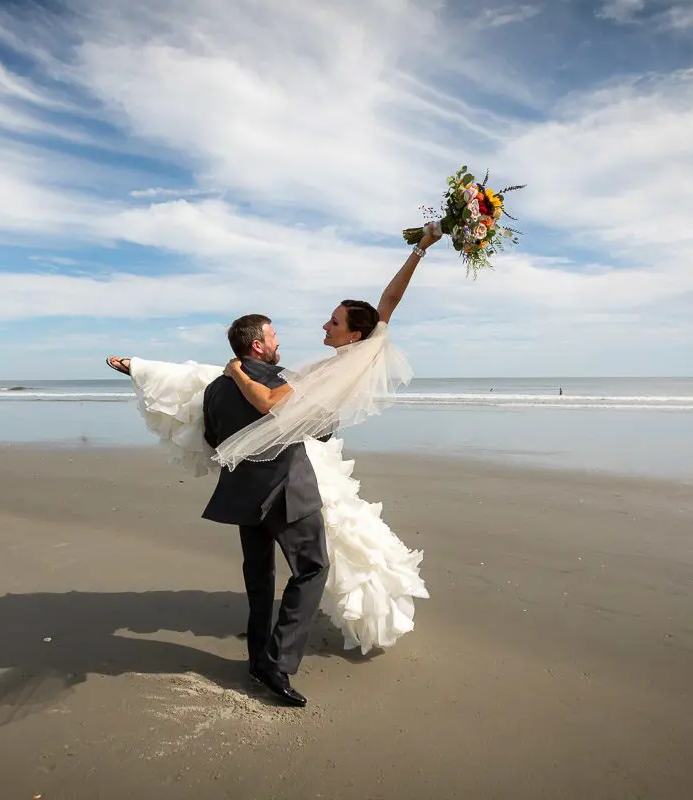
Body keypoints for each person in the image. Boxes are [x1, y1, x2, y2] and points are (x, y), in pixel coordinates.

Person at [105, 222, 442, 707]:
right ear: (259, 344)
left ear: (355, 333)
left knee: (259, 574)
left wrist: (420, 251)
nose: (323, 326)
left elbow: (387, 303)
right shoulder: (300, 372)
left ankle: (259, 655)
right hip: (285, 481)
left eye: (332, 321)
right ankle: (273, 665)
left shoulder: (349, 359)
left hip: (246, 486)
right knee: (312, 568)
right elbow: (272, 404)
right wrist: (420, 250)